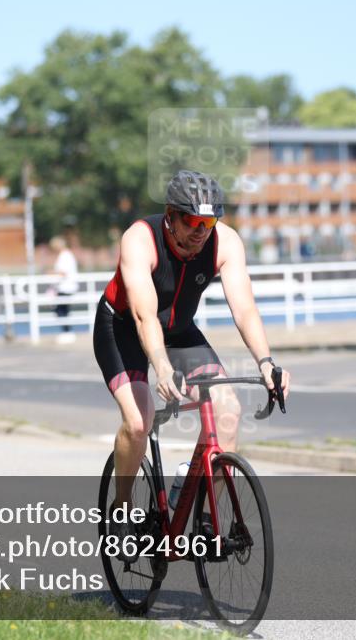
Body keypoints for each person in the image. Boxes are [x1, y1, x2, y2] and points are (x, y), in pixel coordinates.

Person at [93, 169, 291, 531]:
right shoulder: (140, 239)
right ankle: (121, 512)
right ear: (170, 216)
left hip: (179, 330)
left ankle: (202, 513)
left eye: (209, 221)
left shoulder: (225, 242)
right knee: (139, 422)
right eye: (192, 220)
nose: (201, 230)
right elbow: (144, 315)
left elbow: (244, 308)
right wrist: (162, 368)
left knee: (228, 411)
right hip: (123, 327)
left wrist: (266, 362)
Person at [49, 236, 79, 344]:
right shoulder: (65, 255)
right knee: (62, 310)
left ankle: (67, 332)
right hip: (64, 286)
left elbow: (63, 272)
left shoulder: (65, 256)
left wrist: (51, 273)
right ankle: (67, 332)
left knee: (61, 309)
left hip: (66, 287)